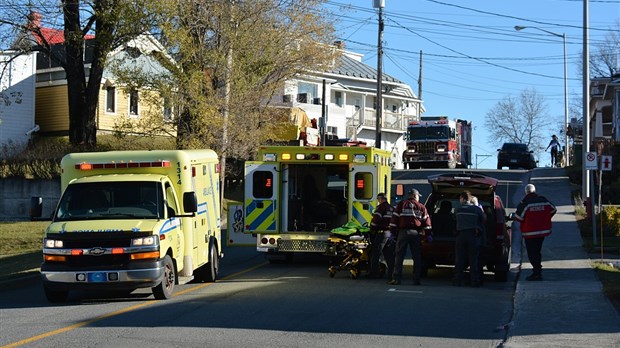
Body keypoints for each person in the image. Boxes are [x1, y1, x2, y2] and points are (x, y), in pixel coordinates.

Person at [511, 184, 557, 281]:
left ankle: (537, 273)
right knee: (537, 251)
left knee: (532, 253)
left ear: (526, 192)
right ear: (535, 191)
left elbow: (519, 217)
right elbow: (553, 209)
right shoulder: (543, 200)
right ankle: (537, 270)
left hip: (530, 233)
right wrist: (545, 218)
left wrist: (513, 216)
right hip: (542, 232)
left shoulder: (525, 202)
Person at [388, 188, 431, 286]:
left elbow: (394, 220)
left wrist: (392, 233)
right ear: (415, 196)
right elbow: (427, 223)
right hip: (416, 233)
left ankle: (397, 279)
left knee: (399, 256)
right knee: (416, 257)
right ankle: (416, 280)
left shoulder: (401, 204)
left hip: (403, 233)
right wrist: (428, 235)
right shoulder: (421, 207)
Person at [453, 190, 486, 287]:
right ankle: (474, 280)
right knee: (473, 259)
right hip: (473, 236)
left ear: (462, 198)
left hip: (460, 236)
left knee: (459, 259)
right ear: (470, 199)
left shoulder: (457, 209)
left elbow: (454, 220)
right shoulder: (476, 209)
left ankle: (457, 280)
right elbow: (484, 219)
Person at [367, 193, 394, 279]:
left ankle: (374, 273)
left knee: (376, 253)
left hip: (381, 233)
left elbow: (375, 220)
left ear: (381, 199)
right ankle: (391, 273)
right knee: (388, 254)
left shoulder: (381, 208)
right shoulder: (392, 208)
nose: (378, 201)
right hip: (389, 233)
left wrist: (372, 227)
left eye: (378, 199)